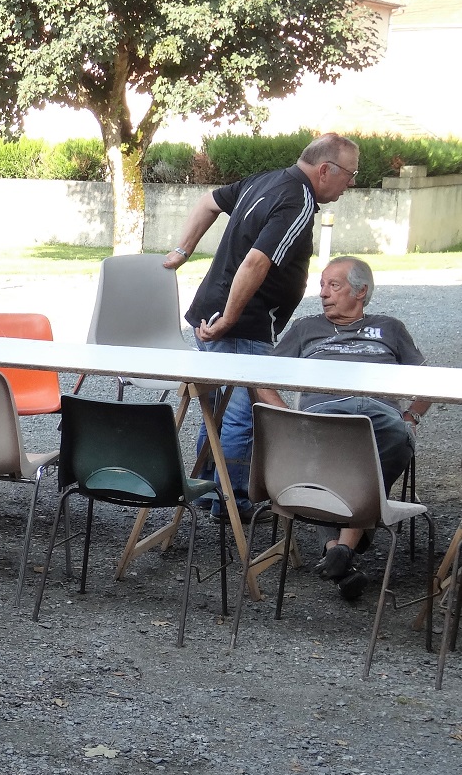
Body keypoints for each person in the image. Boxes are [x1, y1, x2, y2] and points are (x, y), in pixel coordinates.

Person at [166, 132, 362, 518]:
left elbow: (207, 202)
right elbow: (256, 262)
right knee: (242, 416)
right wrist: (231, 319)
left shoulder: (264, 179)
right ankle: (231, 504)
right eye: (350, 175)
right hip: (242, 326)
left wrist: (182, 250)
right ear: (325, 170)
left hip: (212, 313)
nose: (351, 183)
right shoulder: (298, 202)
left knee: (216, 409)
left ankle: (209, 492)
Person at [253, 257, 430, 601]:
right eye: (321, 286)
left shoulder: (390, 327)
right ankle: (347, 546)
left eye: (333, 286)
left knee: (393, 437)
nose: (323, 294)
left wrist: (411, 417)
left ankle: (336, 549)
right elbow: (261, 377)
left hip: (379, 417)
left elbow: (427, 379)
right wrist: (287, 418)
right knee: (327, 459)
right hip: (324, 418)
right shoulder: (307, 328)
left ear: (361, 291)